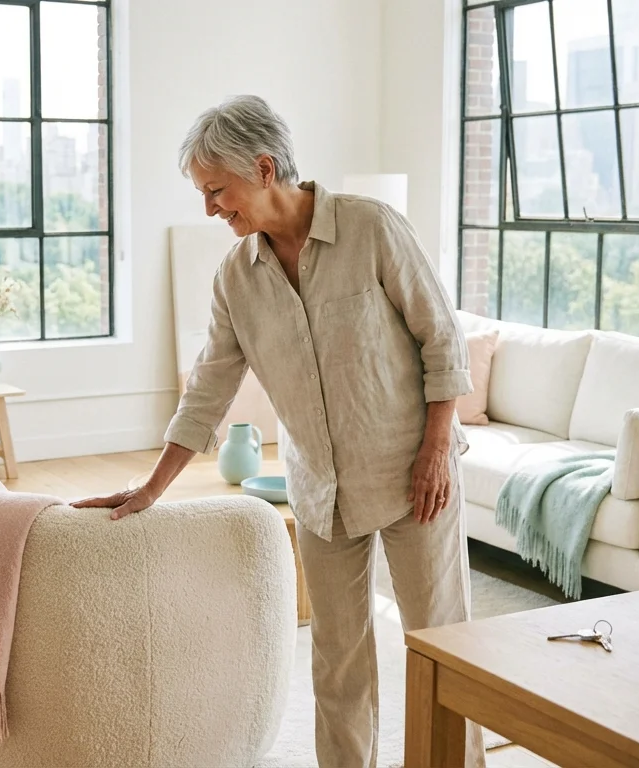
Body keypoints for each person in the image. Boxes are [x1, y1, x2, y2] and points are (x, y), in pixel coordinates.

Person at [71, 94, 484, 768]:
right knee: (336, 661)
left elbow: (440, 338)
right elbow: (209, 385)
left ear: (264, 168)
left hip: (416, 477)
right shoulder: (236, 278)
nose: (210, 209)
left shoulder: (371, 227)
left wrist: (439, 450)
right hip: (321, 491)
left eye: (217, 191)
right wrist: (151, 487)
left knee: (443, 647)